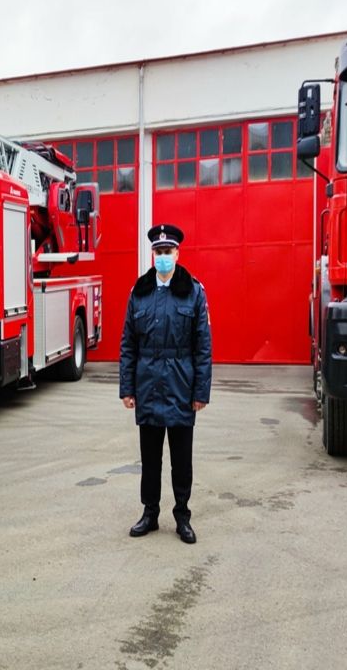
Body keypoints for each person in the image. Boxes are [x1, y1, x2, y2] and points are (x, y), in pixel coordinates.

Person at [119, 224, 212, 542]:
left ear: (177, 253)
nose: (163, 257)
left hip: (182, 386)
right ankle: (150, 513)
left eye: (167, 252)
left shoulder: (194, 291)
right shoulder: (140, 291)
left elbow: (203, 346)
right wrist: (127, 388)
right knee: (150, 458)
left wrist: (200, 391)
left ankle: (182, 515)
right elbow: (128, 343)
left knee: (181, 458)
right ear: (152, 254)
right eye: (158, 252)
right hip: (147, 385)